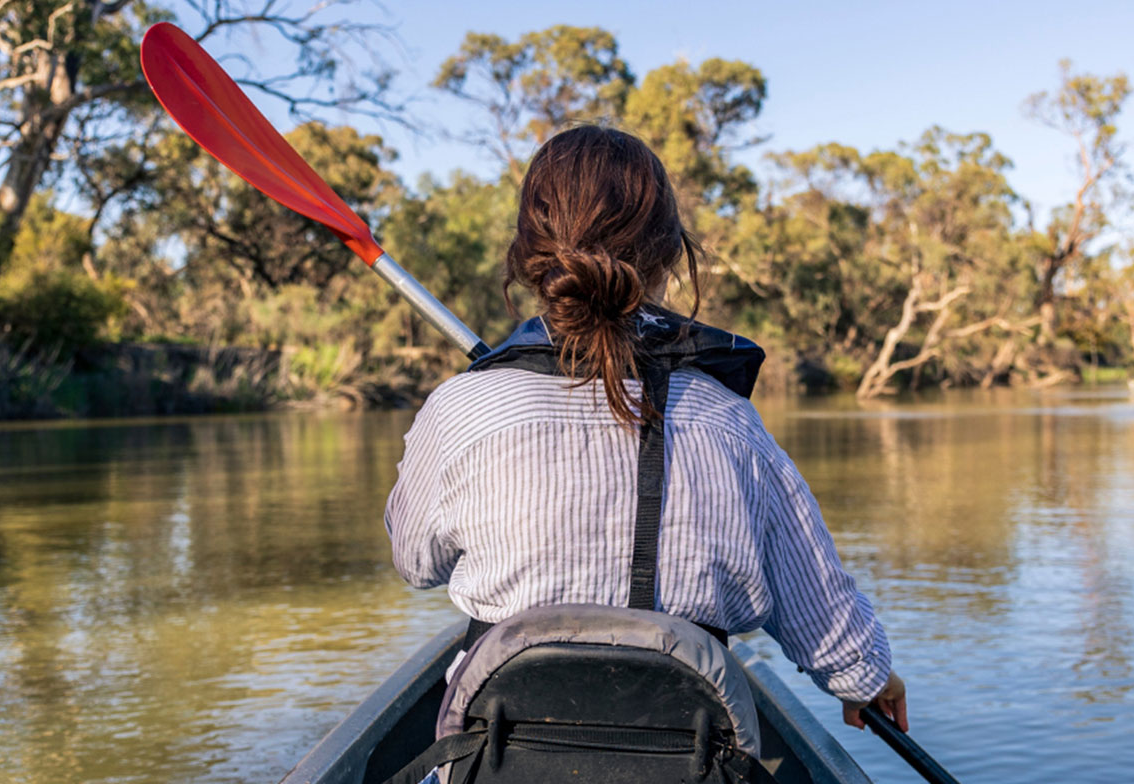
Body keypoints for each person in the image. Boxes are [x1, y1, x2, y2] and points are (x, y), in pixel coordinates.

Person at [382, 125, 906, 734]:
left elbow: (415, 561)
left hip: (503, 756)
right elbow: (819, 613)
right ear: (666, 260)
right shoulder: (730, 422)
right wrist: (867, 677)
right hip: (688, 761)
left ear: (528, 257)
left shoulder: (464, 408)